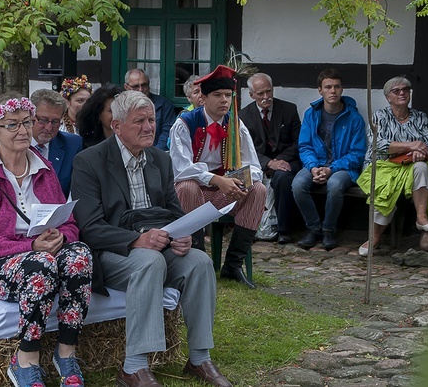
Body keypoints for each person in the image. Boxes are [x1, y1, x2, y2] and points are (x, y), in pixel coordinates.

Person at [72, 91, 231, 387]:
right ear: (117, 125)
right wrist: (136, 240)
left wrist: (183, 236)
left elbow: (174, 212)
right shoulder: (89, 161)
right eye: (139, 121)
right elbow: (90, 227)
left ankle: (199, 357)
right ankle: (134, 366)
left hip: (159, 244)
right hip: (113, 251)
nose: (149, 127)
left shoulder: (160, 158)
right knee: (149, 261)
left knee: (198, 262)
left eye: (152, 120)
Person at [0, 93, 92, 387]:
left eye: (27, 123)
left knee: (79, 253)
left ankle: (66, 352)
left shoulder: (43, 170)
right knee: (41, 265)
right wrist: (31, 246)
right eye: (12, 125)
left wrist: (62, 235)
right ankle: (25, 359)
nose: (23, 131)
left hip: (39, 253)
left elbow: (69, 222)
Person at [170, 65, 266, 289]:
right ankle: (198, 262)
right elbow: (180, 169)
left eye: (227, 95)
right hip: (195, 193)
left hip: (226, 190)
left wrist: (239, 181)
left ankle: (233, 264)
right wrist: (215, 180)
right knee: (187, 187)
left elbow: (254, 166)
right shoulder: (184, 123)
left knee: (258, 189)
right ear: (202, 98)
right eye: (217, 95)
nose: (224, 100)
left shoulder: (236, 124)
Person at [356, 77, 428, 256]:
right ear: (388, 97)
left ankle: (421, 217)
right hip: (383, 165)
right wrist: (411, 146)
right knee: (385, 188)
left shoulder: (421, 118)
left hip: (410, 165)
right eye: (396, 91)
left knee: (422, 167)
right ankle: (374, 237)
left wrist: (419, 152)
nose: (402, 93)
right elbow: (377, 145)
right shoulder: (379, 116)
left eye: (405, 89)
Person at [292, 68, 366, 251]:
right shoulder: (311, 114)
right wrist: (313, 167)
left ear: (342, 89)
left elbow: (357, 153)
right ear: (320, 90)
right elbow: (305, 146)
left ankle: (328, 230)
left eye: (336, 87)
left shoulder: (354, 118)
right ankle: (314, 228)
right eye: (328, 87)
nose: (332, 91)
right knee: (298, 184)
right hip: (316, 164)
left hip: (343, 168)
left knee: (334, 185)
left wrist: (331, 169)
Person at [239, 73, 301, 244]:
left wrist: (279, 162)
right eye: (260, 94)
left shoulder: (289, 110)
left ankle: (283, 229)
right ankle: (248, 227)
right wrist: (268, 163)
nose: (266, 97)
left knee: (282, 178)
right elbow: (245, 148)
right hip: (258, 162)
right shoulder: (243, 116)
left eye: (269, 91)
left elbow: (298, 143)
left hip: (286, 160)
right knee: (243, 178)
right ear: (252, 95)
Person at [29, 89, 83, 198]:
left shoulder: (73, 145)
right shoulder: (10, 142)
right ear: (30, 117)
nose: (49, 127)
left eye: (55, 122)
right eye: (43, 120)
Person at [124, 69, 176, 151]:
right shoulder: (121, 107)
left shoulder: (164, 105)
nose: (141, 89)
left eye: (144, 85)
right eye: (136, 86)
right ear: (126, 87)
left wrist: (154, 155)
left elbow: (167, 133)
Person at [76, 83, 123, 150]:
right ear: (98, 115)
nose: (117, 114)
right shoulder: (88, 147)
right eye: (111, 110)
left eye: (120, 109)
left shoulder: (133, 143)